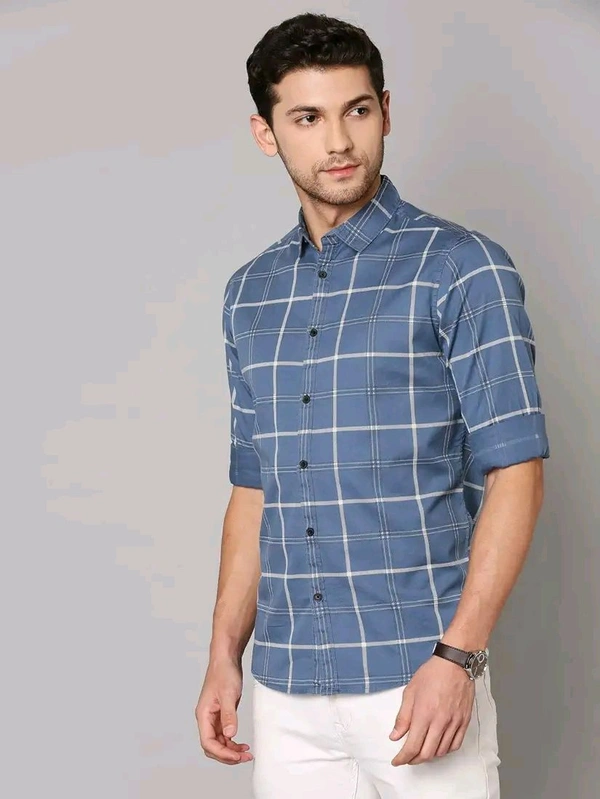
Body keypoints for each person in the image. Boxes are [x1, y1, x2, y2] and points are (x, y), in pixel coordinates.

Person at [195, 12, 550, 799]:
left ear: (385, 111)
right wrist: (224, 652)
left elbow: (517, 473)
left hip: (418, 675)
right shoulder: (249, 294)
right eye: (307, 118)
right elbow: (254, 489)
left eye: (356, 110)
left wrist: (459, 656)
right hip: (286, 688)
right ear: (265, 133)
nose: (338, 142)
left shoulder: (460, 268)